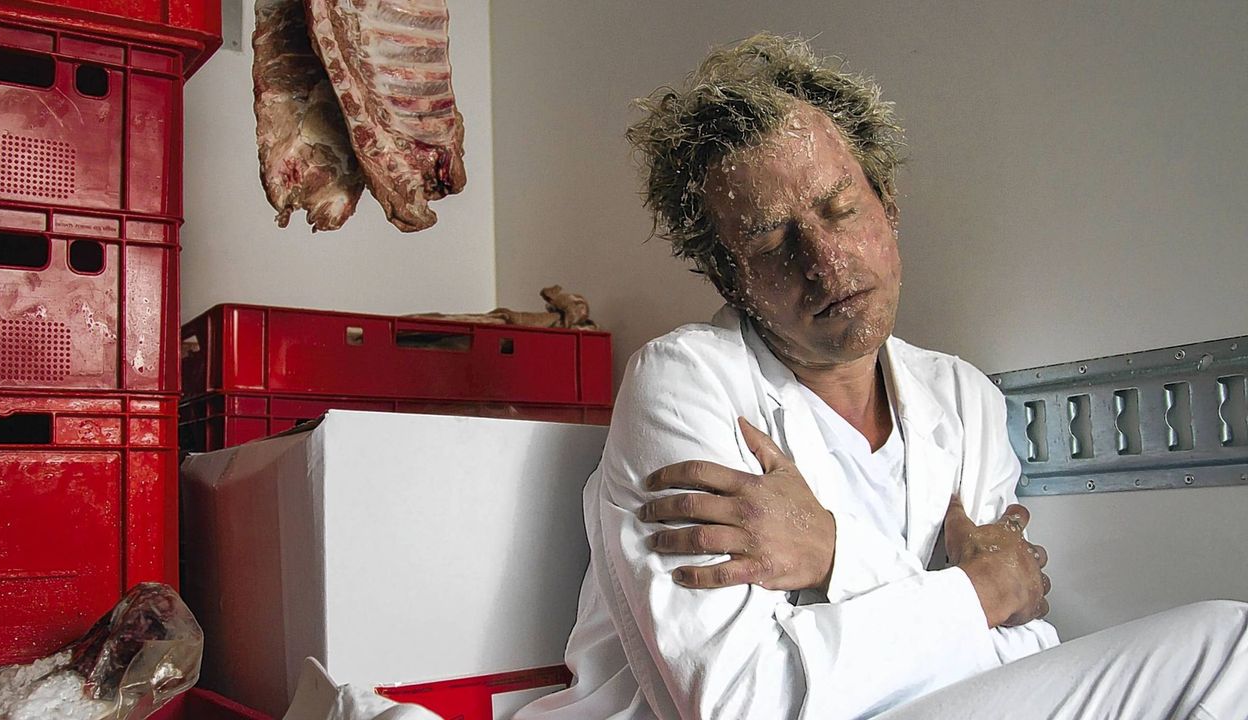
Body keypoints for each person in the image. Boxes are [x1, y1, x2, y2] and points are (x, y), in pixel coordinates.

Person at [516, 33, 1248, 720]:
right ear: (728, 277)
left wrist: (835, 556)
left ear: (888, 208)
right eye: (772, 240)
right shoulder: (684, 383)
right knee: (1228, 647)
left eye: (841, 209)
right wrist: (977, 593)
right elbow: (745, 701)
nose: (825, 262)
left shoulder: (963, 399)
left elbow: (1020, 645)